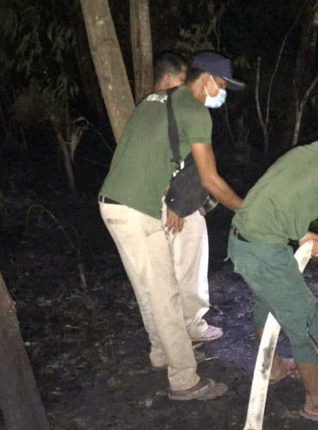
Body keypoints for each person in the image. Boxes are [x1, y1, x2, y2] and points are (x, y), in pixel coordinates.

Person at [99, 50, 243, 400]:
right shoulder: (195, 111)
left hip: (118, 203)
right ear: (205, 79)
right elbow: (210, 179)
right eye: (221, 85)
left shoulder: (154, 100)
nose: (221, 94)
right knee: (165, 295)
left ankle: (162, 353)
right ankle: (184, 380)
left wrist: (170, 202)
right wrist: (247, 210)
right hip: (134, 211)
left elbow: (152, 157)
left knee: (150, 289)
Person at [227, 95, 318, 424]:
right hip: (263, 251)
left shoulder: (299, 154)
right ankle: (315, 403)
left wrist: (303, 234)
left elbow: (274, 201)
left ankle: (275, 367)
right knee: (308, 326)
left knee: (267, 300)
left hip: (240, 241)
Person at [153, 55, 223, 343]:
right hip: (174, 201)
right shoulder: (178, 108)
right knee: (189, 263)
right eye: (183, 80)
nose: (185, 86)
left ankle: (171, 332)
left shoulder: (156, 107)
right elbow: (164, 159)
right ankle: (191, 325)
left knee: (173, 267)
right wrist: (174, 202)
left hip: (170, 198)